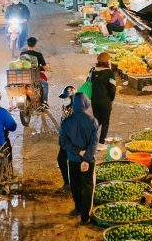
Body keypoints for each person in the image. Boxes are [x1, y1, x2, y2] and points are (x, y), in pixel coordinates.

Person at [59, 92, 98, 225]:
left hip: (73, 160)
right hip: (88, 161)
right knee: (88, 187)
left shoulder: (66, 122)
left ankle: (78, 208)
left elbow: (63, 142)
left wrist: (78, 152)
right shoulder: (92, 120)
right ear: (86, 104)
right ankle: (85, 217)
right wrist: (86, 158)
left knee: (75, 185)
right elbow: (94, 143)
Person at [91, 52, 116, 151]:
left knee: (97, 120)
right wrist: (111, 99)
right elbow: (113, 89)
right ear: (107, 62)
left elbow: (88, 83)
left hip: (94, 100)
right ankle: (101, 143)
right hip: (105, 100)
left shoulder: (92, 70)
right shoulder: (110, 73)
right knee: (105, 122)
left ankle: (90, 139)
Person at [20, 37, 50, 107]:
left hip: (24, 77)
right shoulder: (38, 55)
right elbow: (45, 67)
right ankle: (44, 101)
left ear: (27, 44)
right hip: (35, 77)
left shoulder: (22, 54)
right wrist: (47, 68)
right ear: (35, 44)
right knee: (45, 85)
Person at [57, 85, 76, 190]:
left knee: (65, 160)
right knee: (62, 160)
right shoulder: (65, 107)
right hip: (64, 138)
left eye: (66, 98)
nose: (64, 100)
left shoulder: (76, 110)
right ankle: (68, 183)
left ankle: (70, 184)